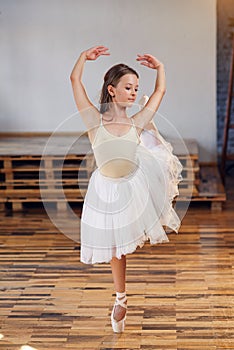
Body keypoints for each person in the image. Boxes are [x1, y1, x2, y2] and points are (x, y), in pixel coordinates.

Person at [70, 45, 183, 333]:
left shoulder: (137, 121)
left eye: (136, 88)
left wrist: (160, 68)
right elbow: (75, 82)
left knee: (123, 245)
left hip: (133, 184)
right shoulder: (94, 120)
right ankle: (121, 299)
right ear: (112, 90)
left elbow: (160, 93)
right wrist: (83, 58)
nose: (133, 92)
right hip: (106, 189)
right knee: (116, 249)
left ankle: (121, 297)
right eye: (128, 87)